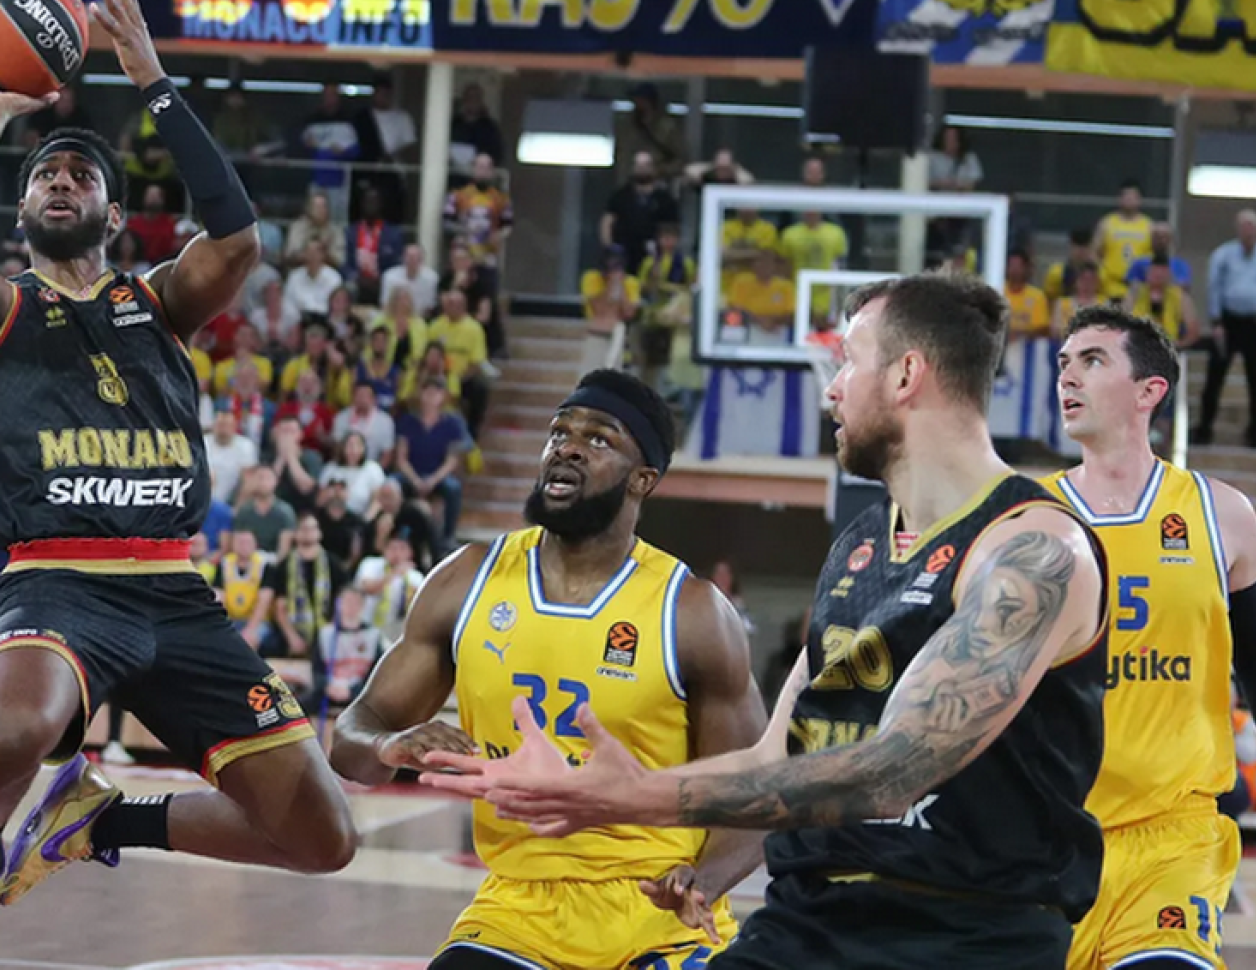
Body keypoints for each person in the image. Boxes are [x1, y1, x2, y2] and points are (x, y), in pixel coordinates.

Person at [424, 274, 1110, 968]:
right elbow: (774, 756)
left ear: (907, 375)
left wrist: (632, 795)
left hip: (966, 935)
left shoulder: (1034, 550)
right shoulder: (859, 547)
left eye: (847, 361)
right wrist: (600, 798)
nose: (831, 389)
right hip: (806, 921)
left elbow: (891, 774)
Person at [0, 0, 354, 968]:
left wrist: (150, 75)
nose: (62, 181)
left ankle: (98, 822)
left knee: (323, 838)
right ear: (22, 214)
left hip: (174, 589)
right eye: (44, 176)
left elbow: (237, 235)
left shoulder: (157, 301)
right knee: (12, 731)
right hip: (57, 580)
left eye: (82, 176)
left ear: (114, 217)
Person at [331, 369, 767, 969]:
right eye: (560, 432)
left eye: (599, 438)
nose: (568, 448)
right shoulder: (466, 581)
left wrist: (704, 881)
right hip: (519, 911)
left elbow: (754, 792)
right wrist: (388, 745)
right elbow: (351, 736)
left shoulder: (690, 611)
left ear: (643, 479)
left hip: (659, 918)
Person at [1046, 306, 1256, 970]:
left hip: (1173, 840)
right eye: (1063, 363)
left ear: (1149, 391)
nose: (1067, 377)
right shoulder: (1027, 516)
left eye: (1092, 361)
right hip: (1048, 841)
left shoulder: (1223, 516)